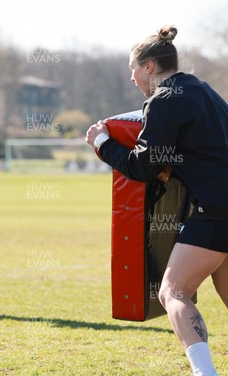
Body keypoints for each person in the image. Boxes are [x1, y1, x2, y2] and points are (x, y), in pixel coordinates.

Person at [86, 25, 228, 376]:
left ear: (149, 66)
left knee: (173, 292)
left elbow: (141, 166)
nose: (131, 78)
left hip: (217, 208)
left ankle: (204, 373)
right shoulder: (205, 90)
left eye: (133, 69)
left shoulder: (163, 99)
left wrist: (102, 143)